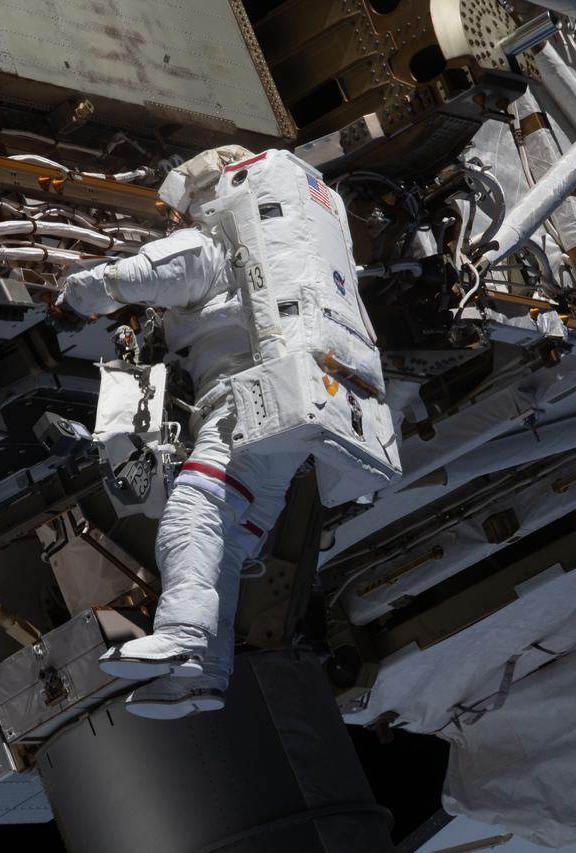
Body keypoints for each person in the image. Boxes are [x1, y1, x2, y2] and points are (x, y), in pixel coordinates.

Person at [57, 146, 387, 719]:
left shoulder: (212, 245)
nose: (176, 219)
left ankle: (182, 636)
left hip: (246, 404)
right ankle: (205, 676)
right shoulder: (299, 255)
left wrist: (75, 295)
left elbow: (139, 275)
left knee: (193, 515)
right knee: (228, 545)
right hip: (292, 412)